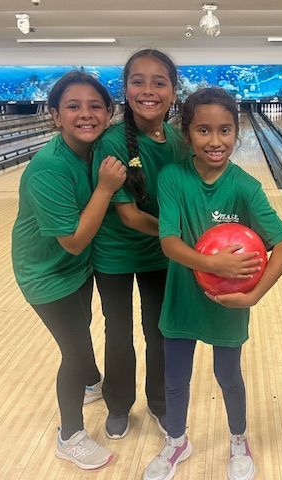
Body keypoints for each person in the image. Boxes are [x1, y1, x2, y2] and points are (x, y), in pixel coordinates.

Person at [143, 87, 282, 480]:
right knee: (174, 379)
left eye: (225, 130)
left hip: (229, 304)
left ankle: (239, 439)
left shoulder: (245, 186)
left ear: (237, 132)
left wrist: (254, 295)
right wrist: (212, 263)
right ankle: (177, 441)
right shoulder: (173, 177)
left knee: (229, 377)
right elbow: (169, 240)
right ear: (187, 133)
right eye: (204, 130)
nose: (215, 141)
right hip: (182, 300)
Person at [11, 71, 126, 469]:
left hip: (75, 266)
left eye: (96, 106)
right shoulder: (49, 168)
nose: (86, 114)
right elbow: (74, 239)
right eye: (73, 106)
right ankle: (70, 435)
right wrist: (106, 188)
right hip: (45, 271)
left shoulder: (92, 152)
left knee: (81, 327)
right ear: (55, 116)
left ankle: (91, 384)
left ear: (109, 113)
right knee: (74, 351)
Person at [91, 49, 189, 439]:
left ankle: (160, 402)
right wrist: (178, 238)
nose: (148, 90)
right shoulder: (113, 141)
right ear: (125, 88)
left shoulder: (180, 141)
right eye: (138, 81)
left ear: (173, 91)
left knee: (160, 332)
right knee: (118, 333)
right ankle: (117, 404)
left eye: (159, 82)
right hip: (114, 254)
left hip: (159, 256)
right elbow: (129, 216)